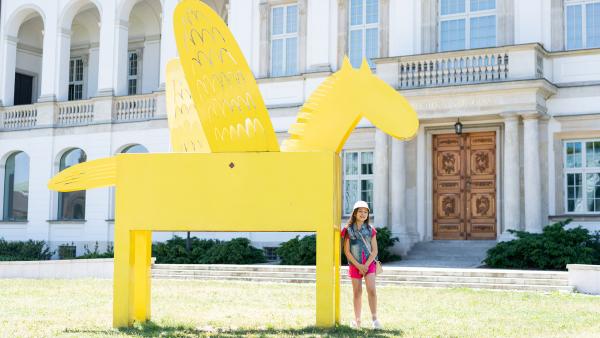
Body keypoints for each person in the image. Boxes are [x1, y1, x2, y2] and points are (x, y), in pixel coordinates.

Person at [341, 200, 381, 329]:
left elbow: (375, 250)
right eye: (360, 211)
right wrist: (359, 266)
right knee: (357, 292)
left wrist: (366, 265)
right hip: (354, 265)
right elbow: (346, 251)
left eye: (365, 212)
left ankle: (375, 319)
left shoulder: (371, 230)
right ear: (354, 213)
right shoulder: (348, 230)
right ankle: (357, 320)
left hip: (369, 265)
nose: (363, 214)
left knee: (372, 290)